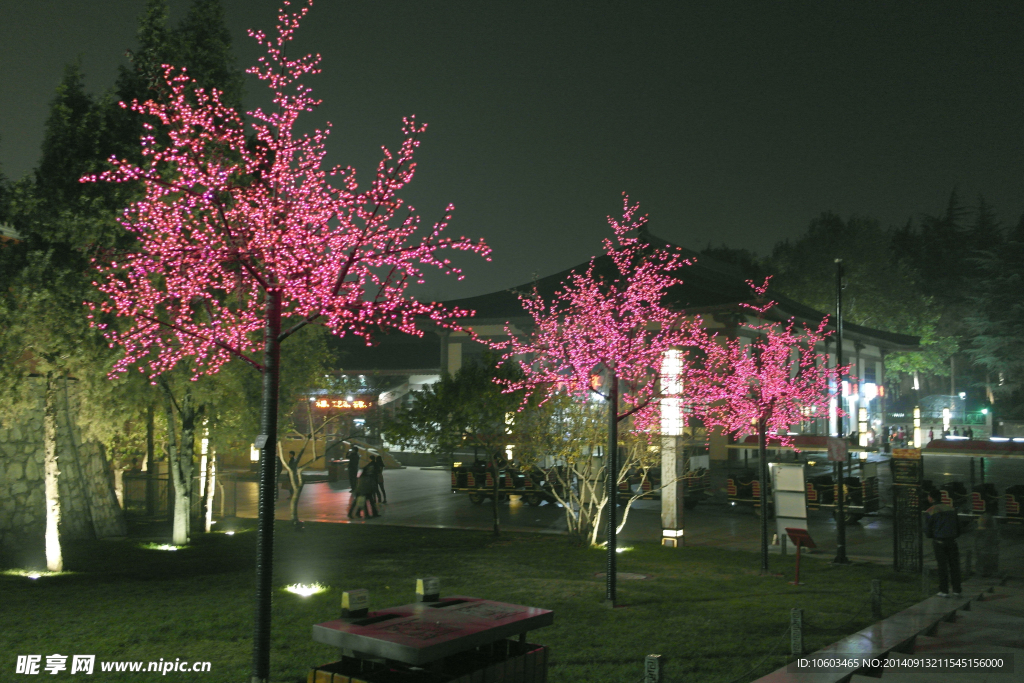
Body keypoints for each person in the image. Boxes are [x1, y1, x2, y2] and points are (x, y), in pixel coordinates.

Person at [924, 488, 962, 597]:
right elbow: (959, 526)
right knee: (954, 565)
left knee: (942, 566)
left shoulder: (930, 511)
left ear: (931, 498)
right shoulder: (951, 509)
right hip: (952, 541)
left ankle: (944, 590)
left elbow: (928, 529)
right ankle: (957, 590)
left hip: (939, 542)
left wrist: (933, 536)